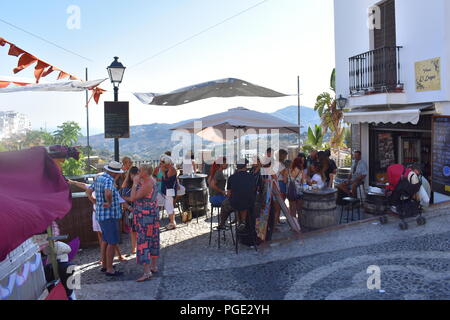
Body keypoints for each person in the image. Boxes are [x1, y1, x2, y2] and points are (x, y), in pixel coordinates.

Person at [86, 161, 124, 277]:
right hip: (110, 216)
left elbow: (88, 191)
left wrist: (95, 202)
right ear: (115, 173)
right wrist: (109, 202)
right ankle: (109, 269)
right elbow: (108, 193)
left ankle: (106, 265)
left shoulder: (99, 178)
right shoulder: (109, 180)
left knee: (106, 240)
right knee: (112, 242)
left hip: (101, 215)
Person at [130, 164, 160, 282]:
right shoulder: (151, 180)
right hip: (152, 215)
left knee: (144, 241)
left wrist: (134, 184)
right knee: (153, 239)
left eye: (140, 170)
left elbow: (133, 198)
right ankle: (153, 266)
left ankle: (147, 272)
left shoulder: (147, 183)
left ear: (146, 172)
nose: (138, 172)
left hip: (145, 216)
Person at [218, 159, 256, 231]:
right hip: (249, 202)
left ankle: (222, 223)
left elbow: (229, 194)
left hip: (236, 203)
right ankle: (243, 221)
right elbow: (253, 189)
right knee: (243, 200)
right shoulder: (251, 176)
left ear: (237, 167)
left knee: (225, 204)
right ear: (245, 166)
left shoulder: (231, 178)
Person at [120, 166, 140, 256]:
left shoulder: (141, 184)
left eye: (137, 175)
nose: (135, 177)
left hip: (140, 209)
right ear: (130, 175)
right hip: (130, 210)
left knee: (140, 229)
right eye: (133, 175)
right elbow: (122, 200)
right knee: (133, 230)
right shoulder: (126, 186)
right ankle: (133, 248)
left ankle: (140, 247)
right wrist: (129, 208)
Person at [158, 155, 178, 230]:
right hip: (167, 191)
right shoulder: (168, 169)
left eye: (163, 162)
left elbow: (166, 178)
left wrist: (163, 171)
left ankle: (172, 223)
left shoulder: (171, 169)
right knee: (168, 206)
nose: (162, 164)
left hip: (169, 191)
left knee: (169, 207)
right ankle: (172, 222)